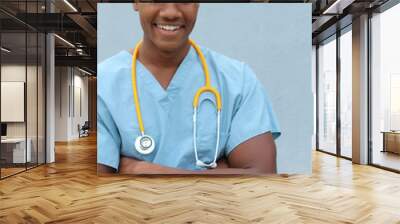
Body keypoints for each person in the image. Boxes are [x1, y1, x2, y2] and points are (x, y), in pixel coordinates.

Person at [97, 3, 280, 175]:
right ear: (136, 2)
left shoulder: (238, 80)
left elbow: (261, 176)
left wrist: (149, 171)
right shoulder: (105, 82)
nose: (170, 12)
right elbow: (98, 185)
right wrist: (220, 173)